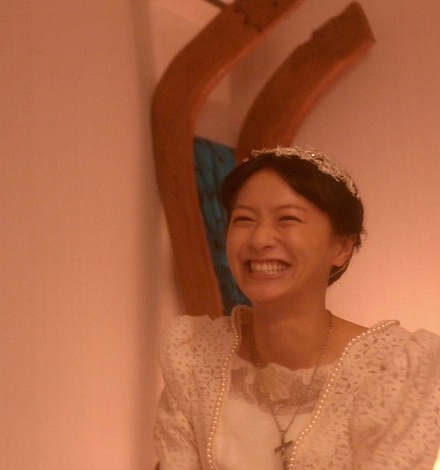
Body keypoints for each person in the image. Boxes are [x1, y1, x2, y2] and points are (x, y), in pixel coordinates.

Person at [154, 146, 440, 469]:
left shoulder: (394, 371)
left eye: (287, 219)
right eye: (244, 219)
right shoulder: (195, 357)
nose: (260, 239)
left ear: (342, 246)